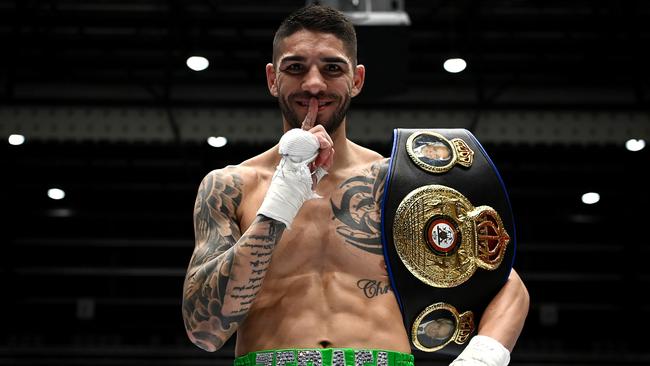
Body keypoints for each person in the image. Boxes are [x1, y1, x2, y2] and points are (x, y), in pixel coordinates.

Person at [182, 4, 529, 366]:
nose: (314, 84)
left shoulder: (397, 183)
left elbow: (504, 282)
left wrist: (484, 356)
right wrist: (281, 199)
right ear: (272, 79)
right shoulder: (232, 185)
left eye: (332, 68)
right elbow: (204, 329)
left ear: (357, 80)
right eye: (295, 67)